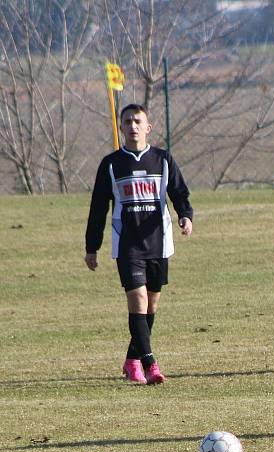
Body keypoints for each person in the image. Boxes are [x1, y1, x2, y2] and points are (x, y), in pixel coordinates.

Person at [84, 103, 193, 385]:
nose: (132, 126)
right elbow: (98, 208)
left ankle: (132, 358)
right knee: (139, 301)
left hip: (159, 243)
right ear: (121, 127)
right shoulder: (111, 164)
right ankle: (149, 364)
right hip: (127, 245)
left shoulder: (162, 159)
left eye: (137, 121)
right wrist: (91, 247)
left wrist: (185, 216)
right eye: (128, 121)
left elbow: (179, 192)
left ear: (148, 127)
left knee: (151, 306)